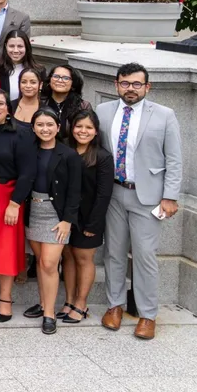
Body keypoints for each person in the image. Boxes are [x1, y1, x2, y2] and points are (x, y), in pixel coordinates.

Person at [97, 63, 182, 341]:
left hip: (148, 197)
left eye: (136, 84)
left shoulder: (165, 115)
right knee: (113, 252)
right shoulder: (104, 111)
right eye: (125, 83)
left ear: (148, 86)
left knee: (145, 255)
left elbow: (174, 159)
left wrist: (170, 196)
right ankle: (115, 306)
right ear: (116, 84)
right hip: (113, 193)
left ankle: (147, 315)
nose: (130, 89)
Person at [19, 108, 82, 334]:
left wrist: (67, 220)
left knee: (48, 263)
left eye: (49, 125)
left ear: (57, 127)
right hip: (32, 211)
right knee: (39, 260)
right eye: (40, 125)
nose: (45, 129)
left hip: (56, 214)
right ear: (33, 128)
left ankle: (49, 314)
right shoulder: (29, 151)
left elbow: (75, 191)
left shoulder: (69, 154)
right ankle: (44, 303)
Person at [0, 88, 37, 322]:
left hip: (7, 197)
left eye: (0, 104)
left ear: (8, 109)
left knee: (5, 250)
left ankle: (5, 299)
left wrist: (15, 203)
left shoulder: (21, 134)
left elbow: (28, 172)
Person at [60, 109, 115, 325]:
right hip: (66, 215)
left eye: (88, 127)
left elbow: (104, 194)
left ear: (95, 131)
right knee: (68, 257)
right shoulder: (64, 150)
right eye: (79, 126)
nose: (83, 131)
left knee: (83, 258)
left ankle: (81, 303)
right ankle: (69, 301)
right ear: (72, 128)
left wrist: (94, 222)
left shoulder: (102, 157)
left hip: (90, 216)